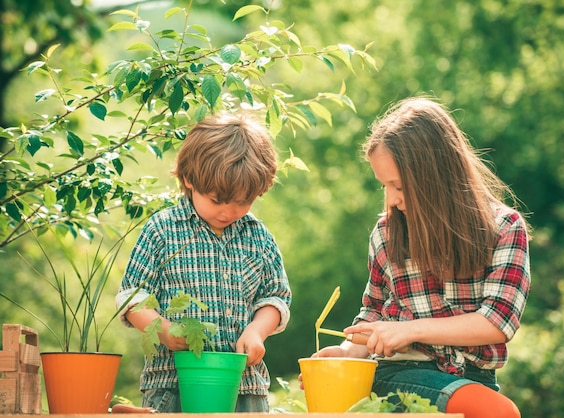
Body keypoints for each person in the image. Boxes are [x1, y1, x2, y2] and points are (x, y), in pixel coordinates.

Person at [311, 97, 530, 418]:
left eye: (397, 185)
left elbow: (498, 322)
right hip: (399, 374)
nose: (391, 199)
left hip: (475, 379)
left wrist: (410, 329)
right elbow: (373, 312)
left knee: (488, 406)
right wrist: (348, 353)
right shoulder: (386, 233)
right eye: (384, 186)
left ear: (433, 176)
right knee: (500, 413)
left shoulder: (505, 228)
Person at [115, 112, 292, 413]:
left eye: (241, 202)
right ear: (188, 179)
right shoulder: (163, 229)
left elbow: (275, 297)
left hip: (244, 387)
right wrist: (165, 330)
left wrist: (257, 331)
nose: (228, 211)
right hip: (172, 384)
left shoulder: (258, 236)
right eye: (216, 200)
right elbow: (131, 297)